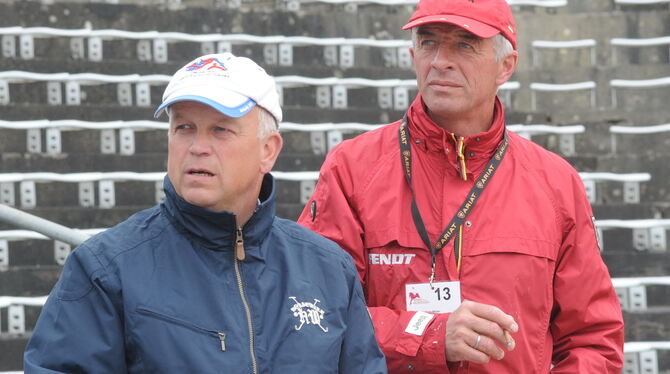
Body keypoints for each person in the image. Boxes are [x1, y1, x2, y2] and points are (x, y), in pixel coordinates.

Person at [298, 0, 625, 372]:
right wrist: (428, 334)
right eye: (428, 43)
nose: (440, 61)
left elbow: (593, 338)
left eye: (464, 44)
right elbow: (314, 311)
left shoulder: (554, 182)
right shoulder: (353, 168)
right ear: (412, 55)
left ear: (506, 66)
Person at [24, 52, 387, 374]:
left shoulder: (328, 269)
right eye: (184, 128)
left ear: (268, 150)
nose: (197, 147)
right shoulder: (105, 269)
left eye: (220, 130)